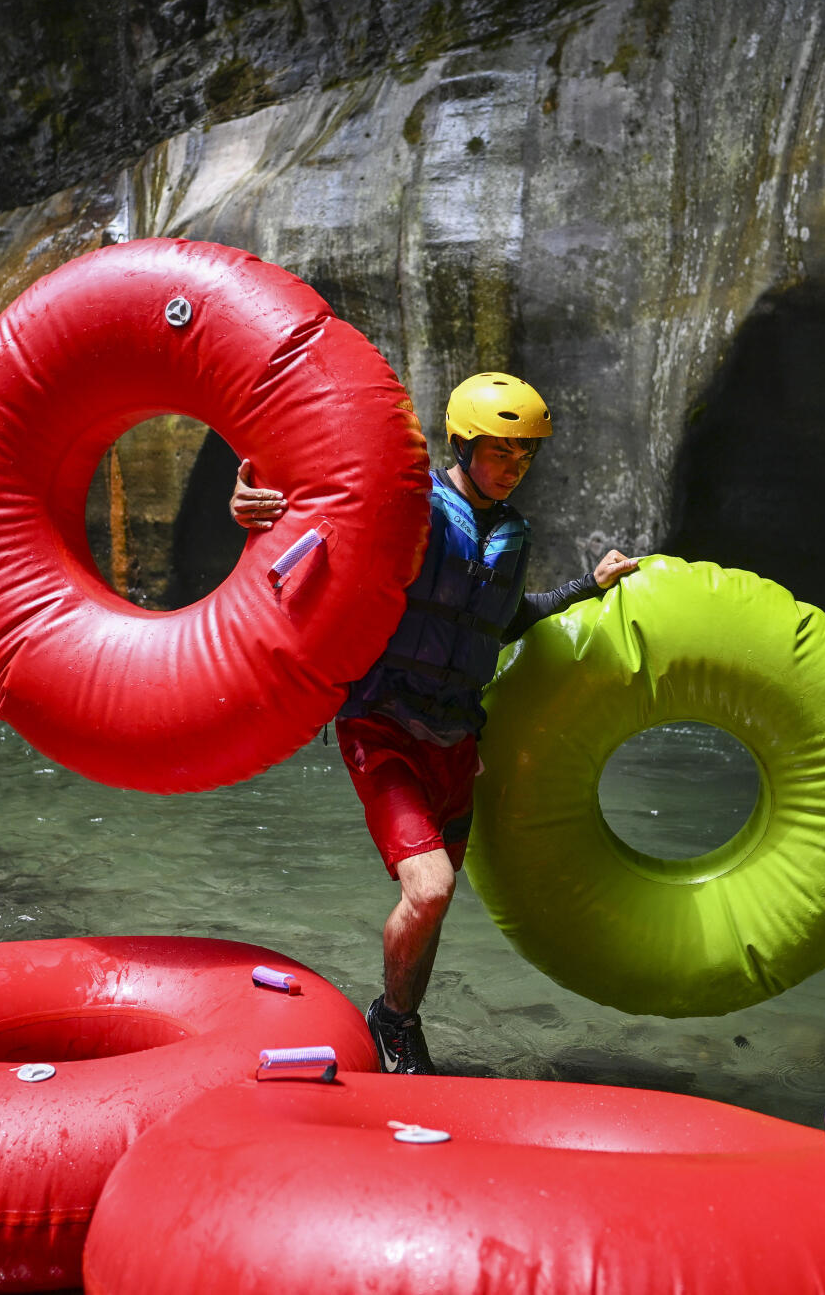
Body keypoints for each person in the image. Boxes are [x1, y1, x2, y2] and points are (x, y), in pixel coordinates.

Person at [231, 371, 637, 1072]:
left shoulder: (513, 532)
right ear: (462, 442)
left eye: (524, 456)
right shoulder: (409, 506)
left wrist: (586, 587)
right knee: (431, 888)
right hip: (383, 724)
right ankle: (388, 1018)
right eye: (501, 451)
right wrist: (248, 506)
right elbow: (315, 530)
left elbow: (503, 620)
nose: (513, 468)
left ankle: (401, 1024)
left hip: (456, 741)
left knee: (433, 906)